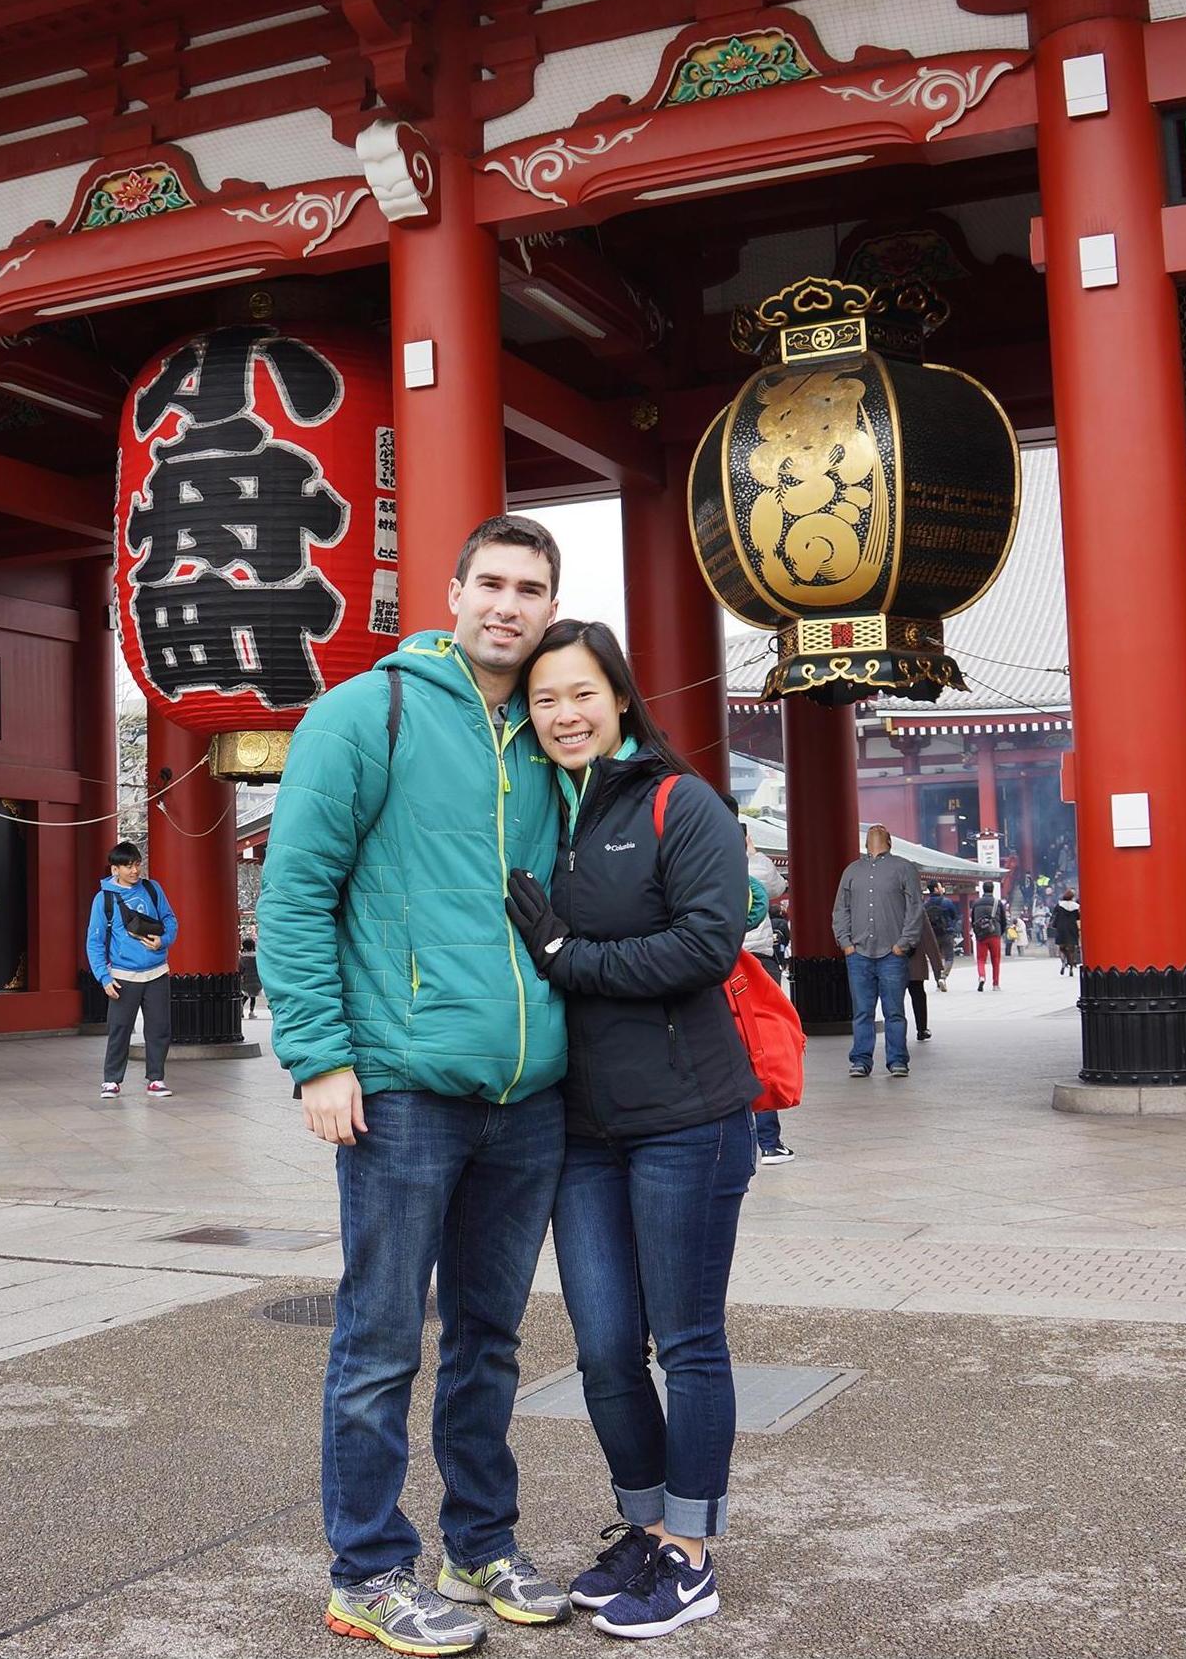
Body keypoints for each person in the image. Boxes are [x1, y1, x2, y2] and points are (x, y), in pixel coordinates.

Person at [259, 513, 571, 1655]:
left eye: (530, 589)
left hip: (528, 1092)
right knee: (383, 1336)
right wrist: (320, 1057)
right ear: (451, 593)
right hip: (398, 1084)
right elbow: (293, 895)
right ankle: (368, 1567)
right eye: (491, 582)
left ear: (550, 606)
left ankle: (478, 1542)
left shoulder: (552, 729)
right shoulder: (365, 713)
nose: (508, 605)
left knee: (492, 1338)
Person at [505, 619, 755, 1641]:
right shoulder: (529, 812)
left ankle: (692, 1555)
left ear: (619, 696)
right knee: (606, 1348)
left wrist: (570, 955)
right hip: (581, 1127)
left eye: (581, 694)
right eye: (544, 700)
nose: (564, 715)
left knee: (688, 1342)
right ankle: (647, 1528)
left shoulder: (674, 802)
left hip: (686, 1120)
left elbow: (708, 942)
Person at [86, 841, 177, 1099]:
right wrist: (104, 977)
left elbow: (170, 919)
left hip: (157, 971)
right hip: (124, 975)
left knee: (159, 1028)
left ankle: (156, 1079)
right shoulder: (103, 899)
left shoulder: (152, 888)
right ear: (115, 869)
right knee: (120, 1028)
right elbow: (94, 941)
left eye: (137, 864)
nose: (135, 870)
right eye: (128, 866)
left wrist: (163, 940)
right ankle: (111, 1080)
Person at [832, 826, 924, 1079]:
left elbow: (915, 909)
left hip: (892, 952)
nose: (875, 830)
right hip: (858, 951)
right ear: (864, 841)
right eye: (872, 830)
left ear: (890, 841)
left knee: (894, 1011)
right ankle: (860, 1060)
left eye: (880, 830)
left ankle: (897, 1060)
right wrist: (845, 943)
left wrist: (903, 943)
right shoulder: (852, 870)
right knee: (862, 1011)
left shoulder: (904, 868)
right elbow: (841, 909)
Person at [741, 825, 793, 1167]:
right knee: (762, 1050)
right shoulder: (755, 868)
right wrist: (754, 852)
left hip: (713, 964)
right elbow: (778, 887)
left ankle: (736, 1142)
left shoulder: (695, 859)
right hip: (756, 964)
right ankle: (770, 1143)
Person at [905, 907, 945, 1044]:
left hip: (892, 958)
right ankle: (922, 1029)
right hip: (913, 957)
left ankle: (896, 1030)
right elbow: (929, 939)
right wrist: (938, 968)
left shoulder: (886, 907)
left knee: (894, 998)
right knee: (918, 994)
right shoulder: (917, 910)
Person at [972, 883, 1008, 991]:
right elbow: (1003, 920)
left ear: (983, 890)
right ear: (992, 889)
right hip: (994, 933)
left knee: (981, 959)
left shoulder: (976, 903)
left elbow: (973, 919)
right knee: (995, 959)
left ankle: (982, 976)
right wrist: (1000, 932)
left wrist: (976, 932)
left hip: (981, 934)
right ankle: (995, 984)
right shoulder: (998, 903)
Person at [923, 882, 959, 986]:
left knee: (935, 959)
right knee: (949, 957)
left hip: (933, 935)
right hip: (946, 933)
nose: (942, 889)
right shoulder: (946, 902)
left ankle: (938, 980)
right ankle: (943, 976)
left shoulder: (926, 904)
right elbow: (954, 916)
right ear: (935, 889)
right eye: (940, 887)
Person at [1051, 887, 1082, 975]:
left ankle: (1063, 962)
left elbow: (1054, 914)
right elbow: (1078, 917)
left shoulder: (1060, 904)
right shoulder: (1076, 906)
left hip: (1061, 927)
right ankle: (1071, 967)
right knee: (1072, 949)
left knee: (1062, 948)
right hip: (1072, 927)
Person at [239, 935, 261, 1019]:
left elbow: (240, 968)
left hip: (245, 979)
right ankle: (251, 1012)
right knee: (253, 997)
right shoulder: (257, 956)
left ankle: (240, 1010)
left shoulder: (242, 957)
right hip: (256, 979)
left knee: (245, 996)